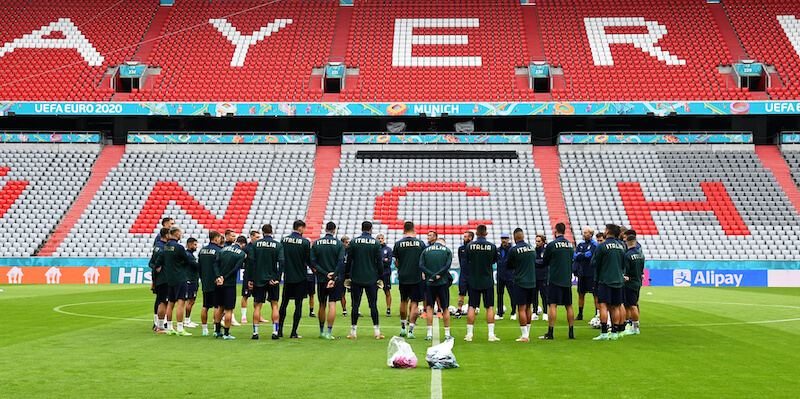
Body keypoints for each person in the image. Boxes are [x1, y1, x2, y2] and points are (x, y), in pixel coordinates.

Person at [346, 221, 384, 339]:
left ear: (362, 229)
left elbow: (349, 260)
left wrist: (347, 274)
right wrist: (381, 276)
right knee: (373, 304)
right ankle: (377, 331)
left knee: (355, 305)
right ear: (371, 229)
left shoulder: (353, 242)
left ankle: (353, 332)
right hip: (371, 277)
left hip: (356, 277)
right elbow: (379, 262)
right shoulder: (376, 243)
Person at [245, 224, 284, 340]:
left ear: (262, 232)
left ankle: (255, 333)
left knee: (257, 306)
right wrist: (278, 278)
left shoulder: (255, 244)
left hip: (259, 278)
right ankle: (275, 332)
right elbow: (281, 263)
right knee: (275, 305)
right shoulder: (278, 245)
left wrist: (251, 279)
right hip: (272, 279)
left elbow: (251, 263)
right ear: (272, 232)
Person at [159, 226, 198, 336]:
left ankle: (170, 328)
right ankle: (180, 328)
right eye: (180, 233)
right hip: (180, 277)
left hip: (169, 278)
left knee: (170, 303)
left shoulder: (166, 246)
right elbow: (186, 260)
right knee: (181, 303)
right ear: (177, 234)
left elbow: (160, 260)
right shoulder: (179, 247)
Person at [540, 223, 576, 340]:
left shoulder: (552, 245)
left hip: (555, 278)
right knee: (569, 305)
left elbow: (545, 261)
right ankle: (571, 332)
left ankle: (550, 332)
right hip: (566, 278)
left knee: (552, 305)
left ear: (555, 230)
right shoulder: (570, 245)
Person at [310, 222, 346, 340]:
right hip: (335, 279)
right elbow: (340, 262)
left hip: (321, 279)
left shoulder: (317, 243)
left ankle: (321, 331)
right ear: (334, 230)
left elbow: (313, 263)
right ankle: (329, 333)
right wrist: (333, 276)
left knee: (322, 304)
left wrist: (325, 274)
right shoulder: (339, 244)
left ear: (325, 229)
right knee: (332, 304)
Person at [465, 224, 500, 342]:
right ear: (486, 233)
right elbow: (494, 260)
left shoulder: (470, 246)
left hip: (474, 279)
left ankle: (469, 334)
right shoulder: (492, 246)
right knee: (489, 306)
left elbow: (468, 260)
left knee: (472, 306)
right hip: (487, 279)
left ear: (476, 233)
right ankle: (491, 334)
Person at [592, 224, 626, 341]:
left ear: (607, 232)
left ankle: (604, 333)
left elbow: (594, 263)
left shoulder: (602, 246)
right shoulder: (622, 246)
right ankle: (615, 332)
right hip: (618, 280)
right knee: (616, 306)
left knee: (603, 305)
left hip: (605, 280)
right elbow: (623, 264)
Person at [393, 221, 426, 338]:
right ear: (414, 229)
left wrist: (401, 267)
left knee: (403, 301)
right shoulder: (420, 243)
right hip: (416, 276)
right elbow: (424, 260)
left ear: (404, 230)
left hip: (403, 275)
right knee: (415, 303)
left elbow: (396, 262)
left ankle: (403, 328)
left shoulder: (398, 244)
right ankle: (411, 331)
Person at [279, 220, 311, 339]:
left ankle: (280, 331)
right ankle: (293, 332)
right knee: (298, 305)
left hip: (288, 277)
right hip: (301, 276)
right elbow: (308, 259)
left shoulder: (284, 240)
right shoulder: (304, 242)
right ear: (301, 228)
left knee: (284, 304)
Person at [214, 235, 247, 340]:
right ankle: (226, 333)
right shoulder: (241, 253)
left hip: (219, 283)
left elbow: (215, 264)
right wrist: (225, 278)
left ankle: (217, 331)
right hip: (229, 284)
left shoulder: (223, 250)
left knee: (220, 307)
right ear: (243, 245)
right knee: (229, 310)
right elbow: (236, 268)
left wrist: (219, 277)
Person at [506, 228, 536, 342]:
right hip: (532, 281)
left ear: (514, 237)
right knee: (529, 307)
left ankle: (524, 335)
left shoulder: (514, 250)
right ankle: (527, 332)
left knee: (521, 308)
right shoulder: (532, 248)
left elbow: (509, 265)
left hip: (520, 281)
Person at [420, 238, 453, 341]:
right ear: (443, 243)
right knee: (445, 308)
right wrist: (438, 274)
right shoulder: (447, 251)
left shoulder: (426, 250)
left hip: (430, 282)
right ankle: (447, 333)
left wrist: (431, 275)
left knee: (429, 307)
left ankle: (429, 333)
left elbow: (421, 265)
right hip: (442, 282)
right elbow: (447, 266)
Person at [198, 230, 223, 337]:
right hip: (216, 282)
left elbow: (198, 267)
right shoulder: (219, 251)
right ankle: (216, 329)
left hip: (205, 281)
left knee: (205, 306)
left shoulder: (202, 250)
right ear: (216, 238)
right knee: (217, 306)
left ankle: (205, 330)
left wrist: (202, 278)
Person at [573, 226, 598, 321]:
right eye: (584, 232)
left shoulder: (594, 244)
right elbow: (575, 255)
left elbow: (590, 255)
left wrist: (581, 255)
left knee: (595, 294)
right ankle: (580, 314)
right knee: (580, 293)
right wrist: (582, 255)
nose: (584, 234)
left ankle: (597, 314)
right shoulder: (580, 244)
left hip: (591, 273)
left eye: (586, 233)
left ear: (591, 234)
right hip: (581, 273)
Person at [149, 227, 170, 333]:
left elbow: (151, 263)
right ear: (167, 235)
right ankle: (160, 326)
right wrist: (157, 269)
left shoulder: (157, 246)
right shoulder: (163, 248)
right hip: (164, 278)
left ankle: (159, 324)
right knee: (163, 302)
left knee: (160, 300)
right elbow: (154, 263)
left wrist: (154, 276)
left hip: (159, 278)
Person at [623, 234, 644, 335]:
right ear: (635, 242)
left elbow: (626, 270)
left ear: (627, 243)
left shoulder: (627, 255)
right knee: (631, 304)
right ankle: (629, 326)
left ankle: (635, 328)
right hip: (638, 281)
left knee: (631, 305)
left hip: (630, 283)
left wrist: (624, 276)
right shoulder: (641, 254)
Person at [240, 230, 262, 324]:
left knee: (257, 296)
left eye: (259, 237)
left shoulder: (259, 247)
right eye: (256, 237)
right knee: (245, 295)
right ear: (252, 237)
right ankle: (243, 316)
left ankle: (258, 315)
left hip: (258, 276)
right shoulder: (247, 248)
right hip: (248, 276)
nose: (258, 239)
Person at [495, 233, 516, 320]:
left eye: (505, 239)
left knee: (512, 295)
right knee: (499, 295)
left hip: (510, 276)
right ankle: (500, 313)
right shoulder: (498, 250)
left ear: (508, 239)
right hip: (500, 276)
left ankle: (513, 312)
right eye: (502, 238)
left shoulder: (512, 250)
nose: (504, 240)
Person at [455, 231, 474, 318]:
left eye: (465, 236)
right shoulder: (461, 248)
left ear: (470, 238)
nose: (464, 238)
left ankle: (470, 310)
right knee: (461, 293)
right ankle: (459, 310)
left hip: (473, 275)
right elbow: (460, 261)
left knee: (472, 294)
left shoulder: (474, 248)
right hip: (463, 275)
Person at [532, 235, 549, 322]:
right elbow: (532, 261)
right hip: (534, 276)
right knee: (534, 296)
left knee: (544, 295)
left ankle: (545, 313)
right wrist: (539, 262)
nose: (537, 243)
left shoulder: (546, 251)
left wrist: (537, 262)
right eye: (536, 241)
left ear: (543, 242)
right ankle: (534, 312)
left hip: (543, 276)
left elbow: (545, 262)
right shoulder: (533, 250)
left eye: (539, 241)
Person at [184, 237, 199, 328]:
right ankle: (186, 321)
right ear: (189, 245)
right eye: (195, 245)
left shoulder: (189, 255)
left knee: (191, 301)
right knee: (190, 301)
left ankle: (188, 320)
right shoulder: (189, 256)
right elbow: (196, 266)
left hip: (192, 279)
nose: (196, 247)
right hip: (191, 280)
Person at [377, 233, 393, 317]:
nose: (380, 240)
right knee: (373, 292)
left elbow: (389, 262)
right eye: (378, 238)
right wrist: (384, 260)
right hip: (375, 273)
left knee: (387, 291)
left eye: (381, 238)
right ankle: (373, 309)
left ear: (384, 239)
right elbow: (374, 261)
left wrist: (380, 260)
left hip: (385, 272)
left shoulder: (388, 249)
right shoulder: (374, 249)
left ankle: (388, 309)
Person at [340, 235, 350, 317]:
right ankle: (344, 310)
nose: (348, 244)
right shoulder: (340, 251)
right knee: (342, 293)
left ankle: (356, 309)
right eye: (346, 242)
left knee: (354, 293)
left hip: (350, 274)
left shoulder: (351, 251)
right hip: (342, 274)